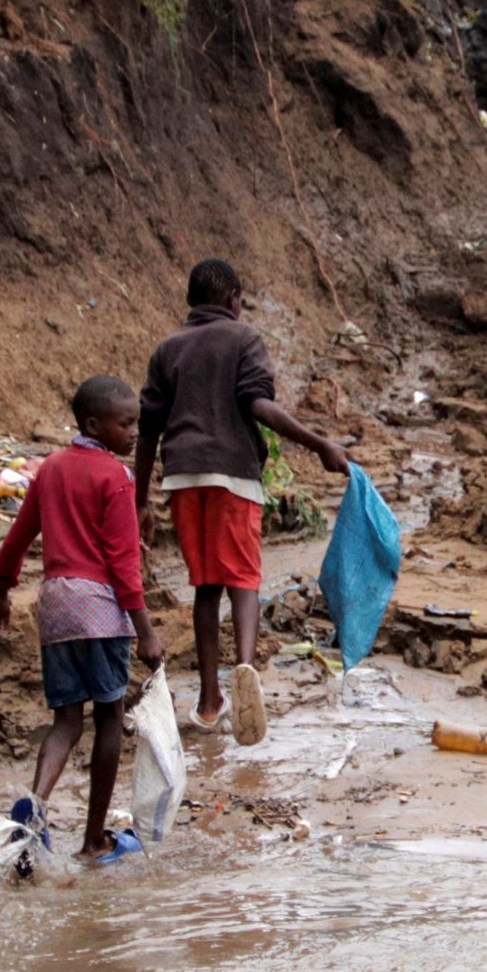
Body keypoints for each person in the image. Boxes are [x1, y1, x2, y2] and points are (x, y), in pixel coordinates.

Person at [136, 258, 349, 742]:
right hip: (233, 472)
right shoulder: (244, 338)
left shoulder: (167, 349)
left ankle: (210, 700)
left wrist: (140, 498)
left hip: (182, 477)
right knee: (245, 579)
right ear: (234, 298)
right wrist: (320, 445)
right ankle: (246, 671)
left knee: (206, 586)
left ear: (192, 301)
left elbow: (147, 428)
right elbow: (258, 403)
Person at [0, 375, 167, 864]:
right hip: (101, 607)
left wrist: (0, 591)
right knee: (108, 717)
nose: (134, 433)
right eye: (125, 424)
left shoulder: (51, 468)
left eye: (136, 423)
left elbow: (18, 536)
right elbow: (123, 563)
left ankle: (34, 810)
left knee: (65, 720)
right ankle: (91, 840)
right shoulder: (116, 478)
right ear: (93, 424)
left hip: (56, 603)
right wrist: (145, 630)